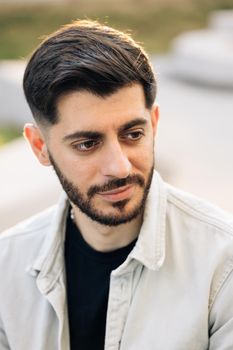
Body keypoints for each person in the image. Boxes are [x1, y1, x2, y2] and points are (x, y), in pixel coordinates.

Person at [0, 19, 233, 350]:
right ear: (40, 147)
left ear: (153, 123)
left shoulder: (223, 264)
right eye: (87, 144)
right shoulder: (5, 266)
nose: (119, 167)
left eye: (133, 134)